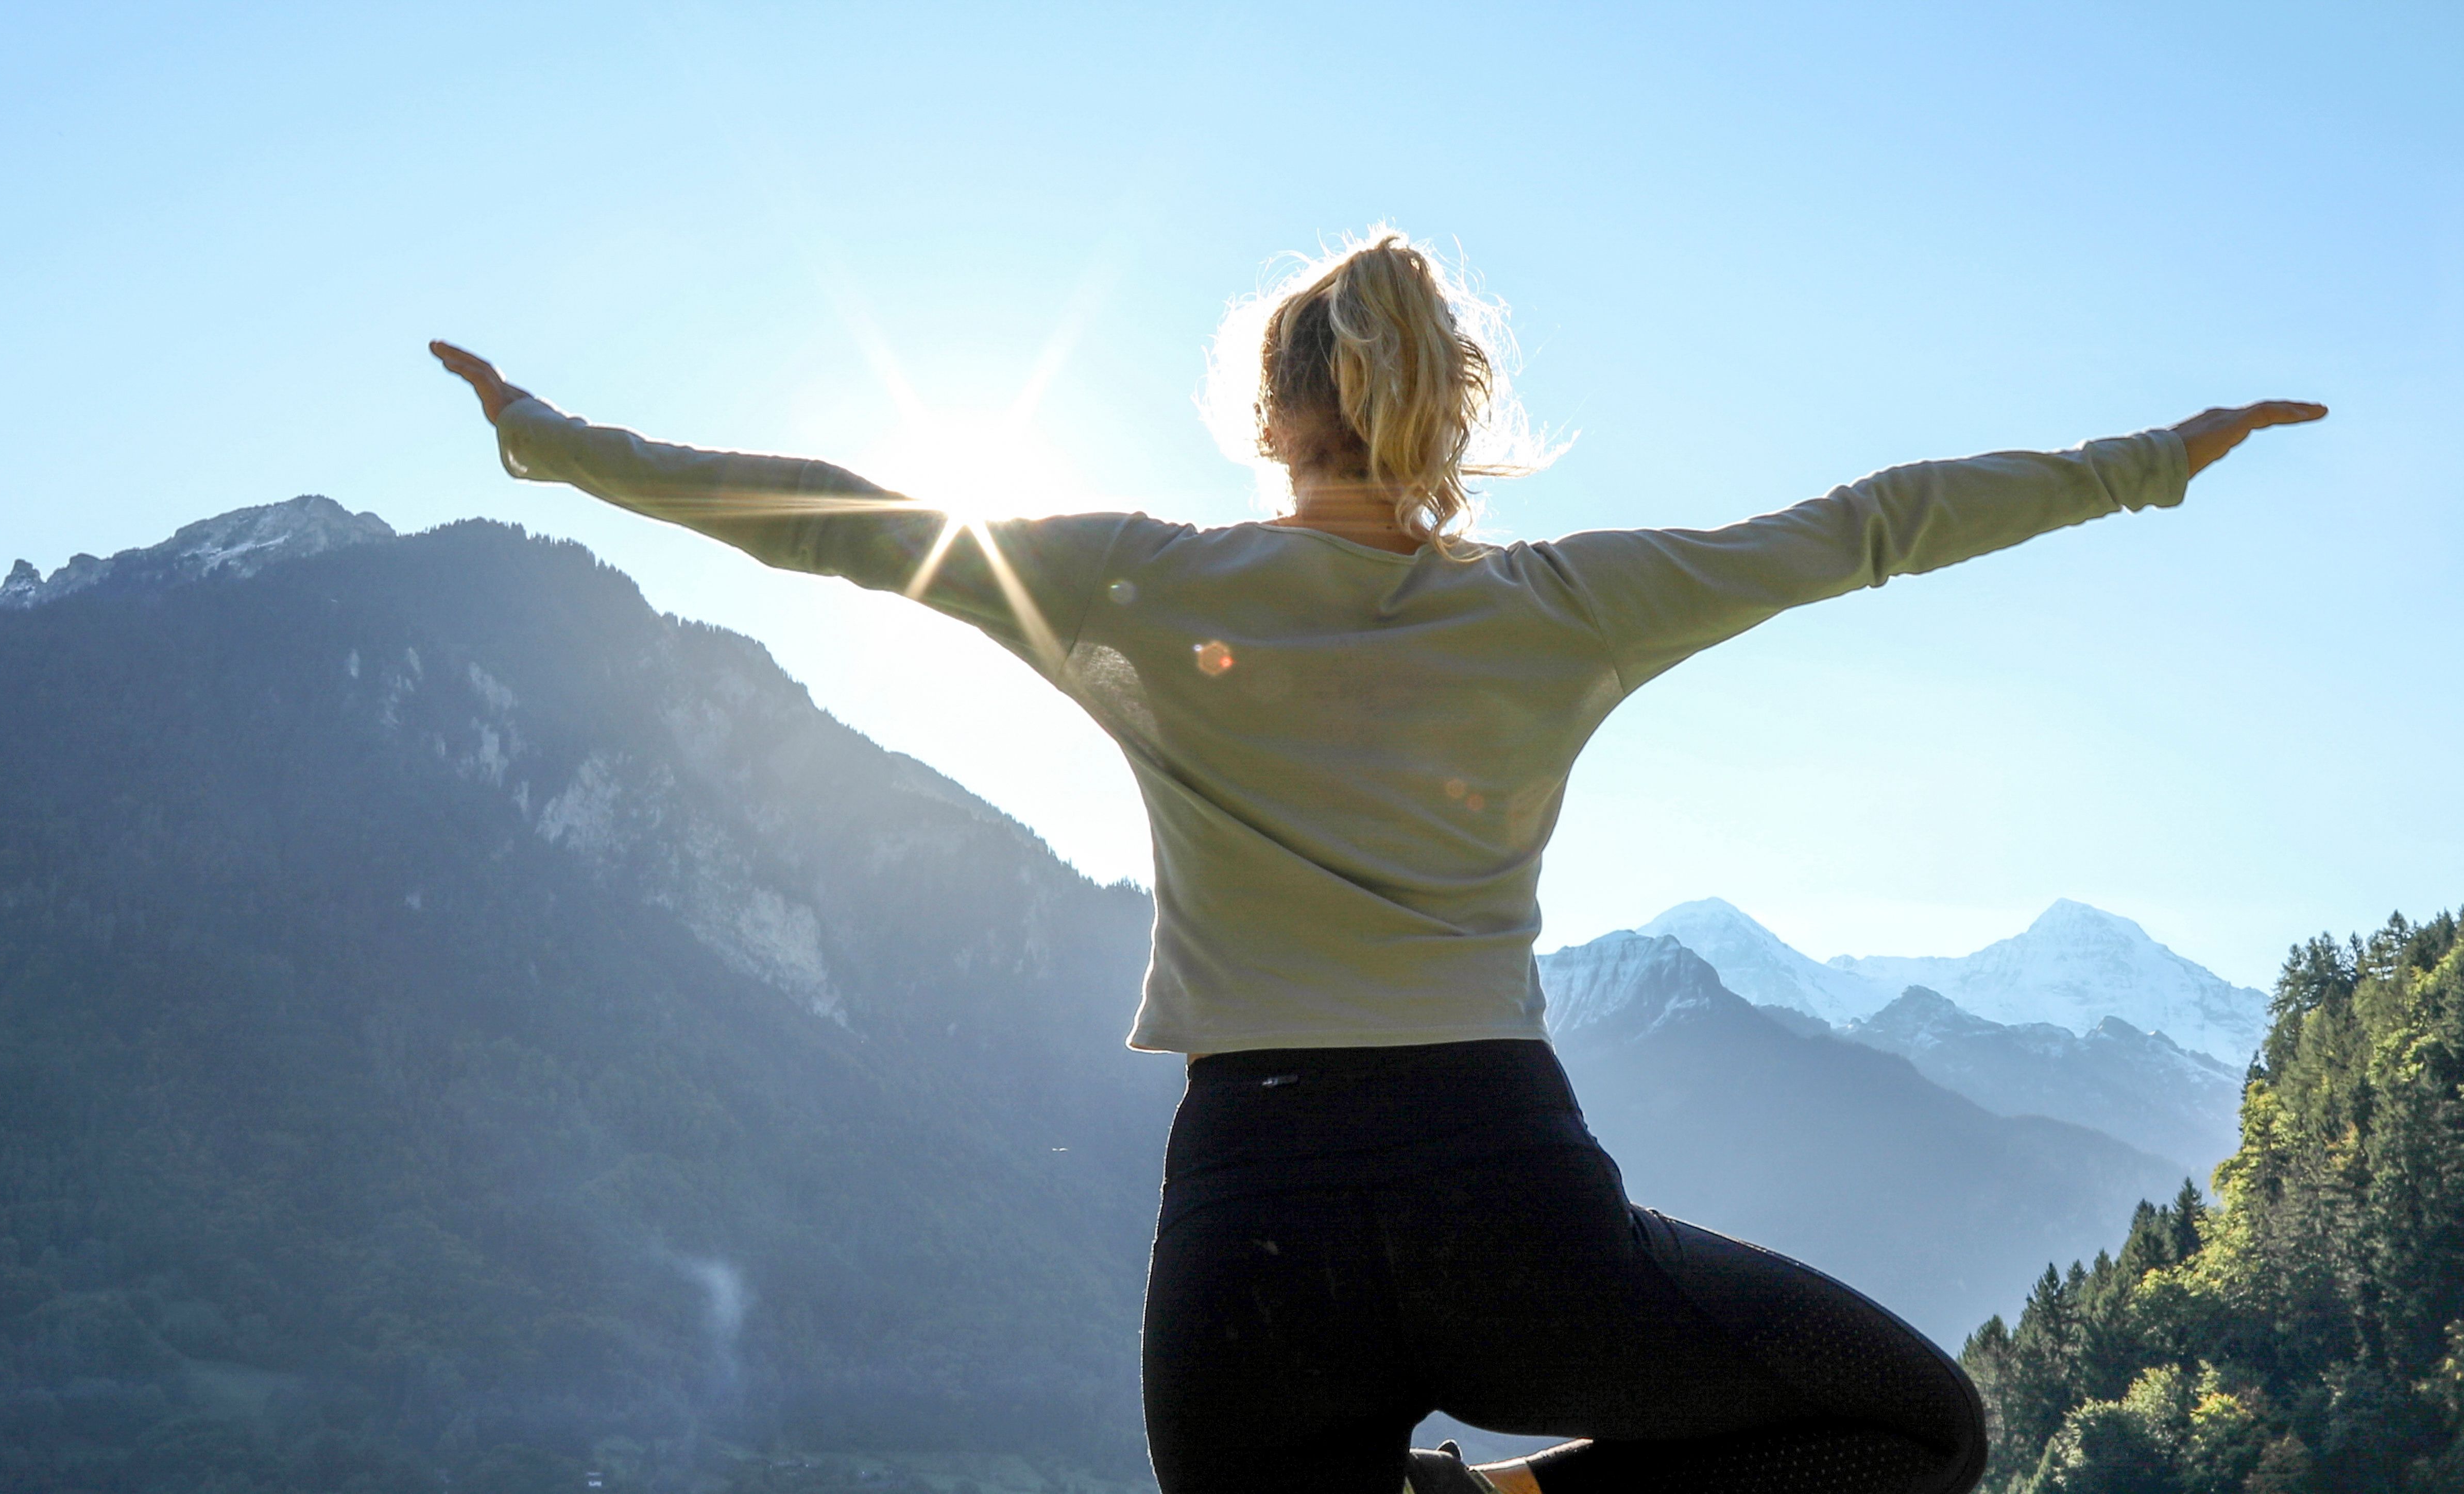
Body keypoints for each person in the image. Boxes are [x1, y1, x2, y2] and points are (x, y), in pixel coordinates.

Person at [433, 228, 2322, 1494]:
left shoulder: (1133, 581)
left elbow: (836, 523)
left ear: (1266, 416)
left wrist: (557, 443)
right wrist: (2149, 456)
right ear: (1455, 413)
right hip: (1507, 1199)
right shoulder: (1574, 604)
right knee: (1914, 1429)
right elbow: (1869, 526)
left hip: (1246, 1213)